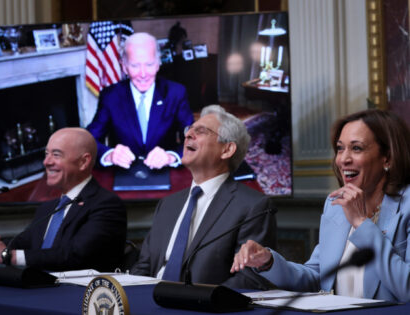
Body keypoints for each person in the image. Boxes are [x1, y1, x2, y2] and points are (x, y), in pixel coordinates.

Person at [231, 109, 410, 302]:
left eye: (356, 148)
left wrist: (360, 222)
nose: (343, 159)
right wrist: (268, 262)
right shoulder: (335, 205)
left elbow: (407, 289)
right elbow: (316, 279)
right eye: (340, 148)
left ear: (388, 158)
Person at [131, 105, 277, 289]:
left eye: (200, 131)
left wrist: (195, 301)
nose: (188, 135)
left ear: (227, 150)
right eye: (188, 130)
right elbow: (144, 266)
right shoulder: (168, 204)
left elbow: (249, 279)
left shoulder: (253, 206)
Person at [0, 128, 127, 271]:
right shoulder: (47, 208)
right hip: (35, 290)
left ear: (83, 162)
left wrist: (8, 256)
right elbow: (19, 243)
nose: (46, 162)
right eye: (46, 154)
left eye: (56, 155)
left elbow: (76, 255)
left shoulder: (107, 204)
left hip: (82, 292)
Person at [87, 32, 194, 170]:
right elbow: (88, 141)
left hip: (166, 174)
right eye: (135, 65)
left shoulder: (176, 93)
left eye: (149, 64)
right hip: (123, 176)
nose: (143, 74)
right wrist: (109, 155)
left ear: (158, 64)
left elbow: (194, 140)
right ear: (124, 67)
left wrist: (171, 157)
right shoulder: (110, 96)